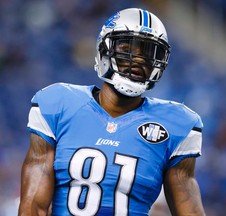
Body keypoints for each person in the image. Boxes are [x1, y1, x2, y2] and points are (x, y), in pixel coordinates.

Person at [18, 8, 206, 216]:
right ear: (104, 49)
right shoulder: (58, 105)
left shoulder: (177, 125)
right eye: (127, 48)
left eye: (148, 53)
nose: (138, 60)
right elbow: (33, 208)